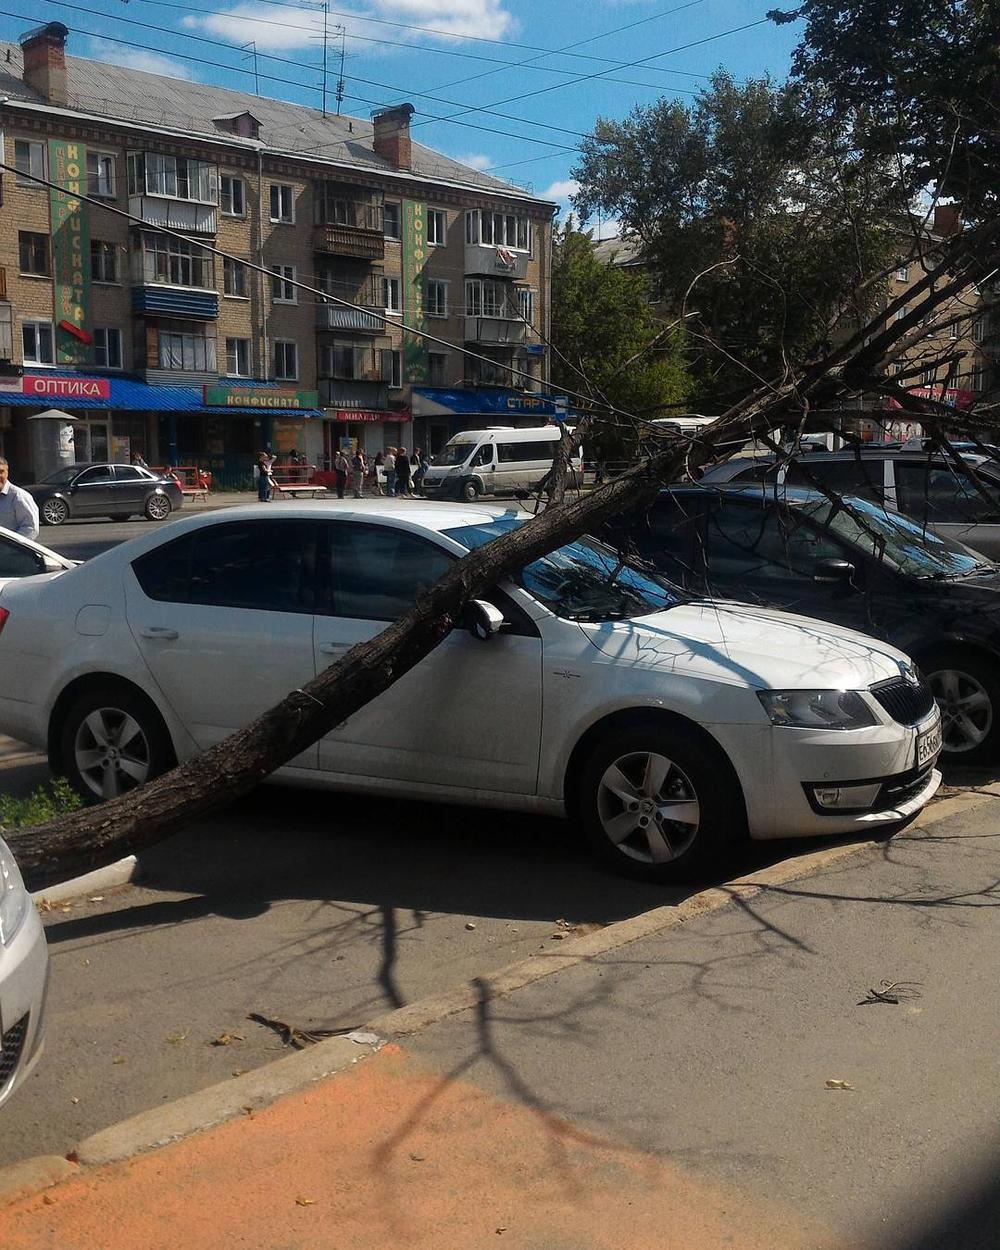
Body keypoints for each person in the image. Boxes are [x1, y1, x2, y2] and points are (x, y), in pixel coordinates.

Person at [0, 458, 39, 540]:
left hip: (11, 551)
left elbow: (30, 529)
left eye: (1, 472)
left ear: (7, 473)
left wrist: (8, 547)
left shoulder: (18, 496)